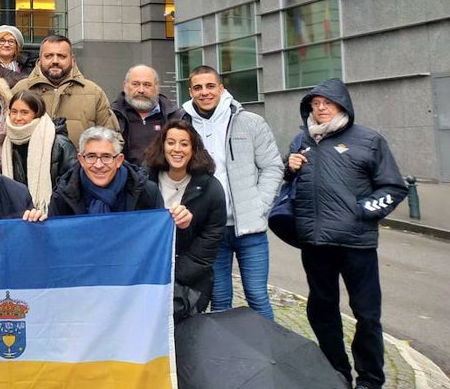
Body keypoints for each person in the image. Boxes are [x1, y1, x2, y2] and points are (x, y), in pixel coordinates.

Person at [287, 78, 406, 389]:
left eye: (328, 102)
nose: (321, 108)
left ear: (343, 105)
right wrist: (289, 169)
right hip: (315, 244)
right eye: (315, 103)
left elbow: (394, 188)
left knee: (366, 314)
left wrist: (363, 211)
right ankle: (337, 371)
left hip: (357, 244)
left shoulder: (368, 141)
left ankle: (370, 381)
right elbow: (289, 189)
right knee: (321, 310)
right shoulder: (301, 141)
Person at [181, 66, 284, 319]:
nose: (204, 92)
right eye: (198, 87)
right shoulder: (184, 126)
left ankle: (266, 354)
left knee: (257, 298)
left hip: (250, 230)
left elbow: (272, 167)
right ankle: (226, 358)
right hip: (210, 230)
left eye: (210, 86)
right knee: (219, 300)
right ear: (190, 91)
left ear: (221, 88)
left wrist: (259, 205)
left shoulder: (250, 122)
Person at [143, 120, 227, 319]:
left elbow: (208, 246)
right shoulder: (143, 181)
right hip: (148, 277)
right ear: (162, 146)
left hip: (190, 283)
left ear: (193, 149)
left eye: (184, 144)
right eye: (171, 142)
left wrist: (170, 278)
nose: (177, 149)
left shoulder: (211, 189)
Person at [13, 34, 119, 147]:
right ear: (39, 60)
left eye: (61, 56)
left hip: (78, 164)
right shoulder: (21, 90)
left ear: (72, 60)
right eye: (48, 56)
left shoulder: (93, 93)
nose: (55, 61)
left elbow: (113, 139)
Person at [50, 127, 162, 216]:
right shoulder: (63, 196)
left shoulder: (146, 192)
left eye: (106, 157)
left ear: (119, 160)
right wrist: (38, 222)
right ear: (81, 160)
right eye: (91, 156)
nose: (99, 165)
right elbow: (52, 239)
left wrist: (178, 220)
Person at [1, 91, 75, 212]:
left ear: (37, 114)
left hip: (54, 214)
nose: (18, 118)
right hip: (19, 216)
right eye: (14, 112)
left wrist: (51, 209)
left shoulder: (60, 143)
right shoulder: (7, 143)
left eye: (24, 112)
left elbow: (71, 182)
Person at [112, 65, 185, 167]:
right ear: (125, 86)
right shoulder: (113, 116)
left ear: (156, 87)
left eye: (147, 85)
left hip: (163, 179)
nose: (141, 90)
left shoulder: (175, 116)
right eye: (136, 84)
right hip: (127, 180)